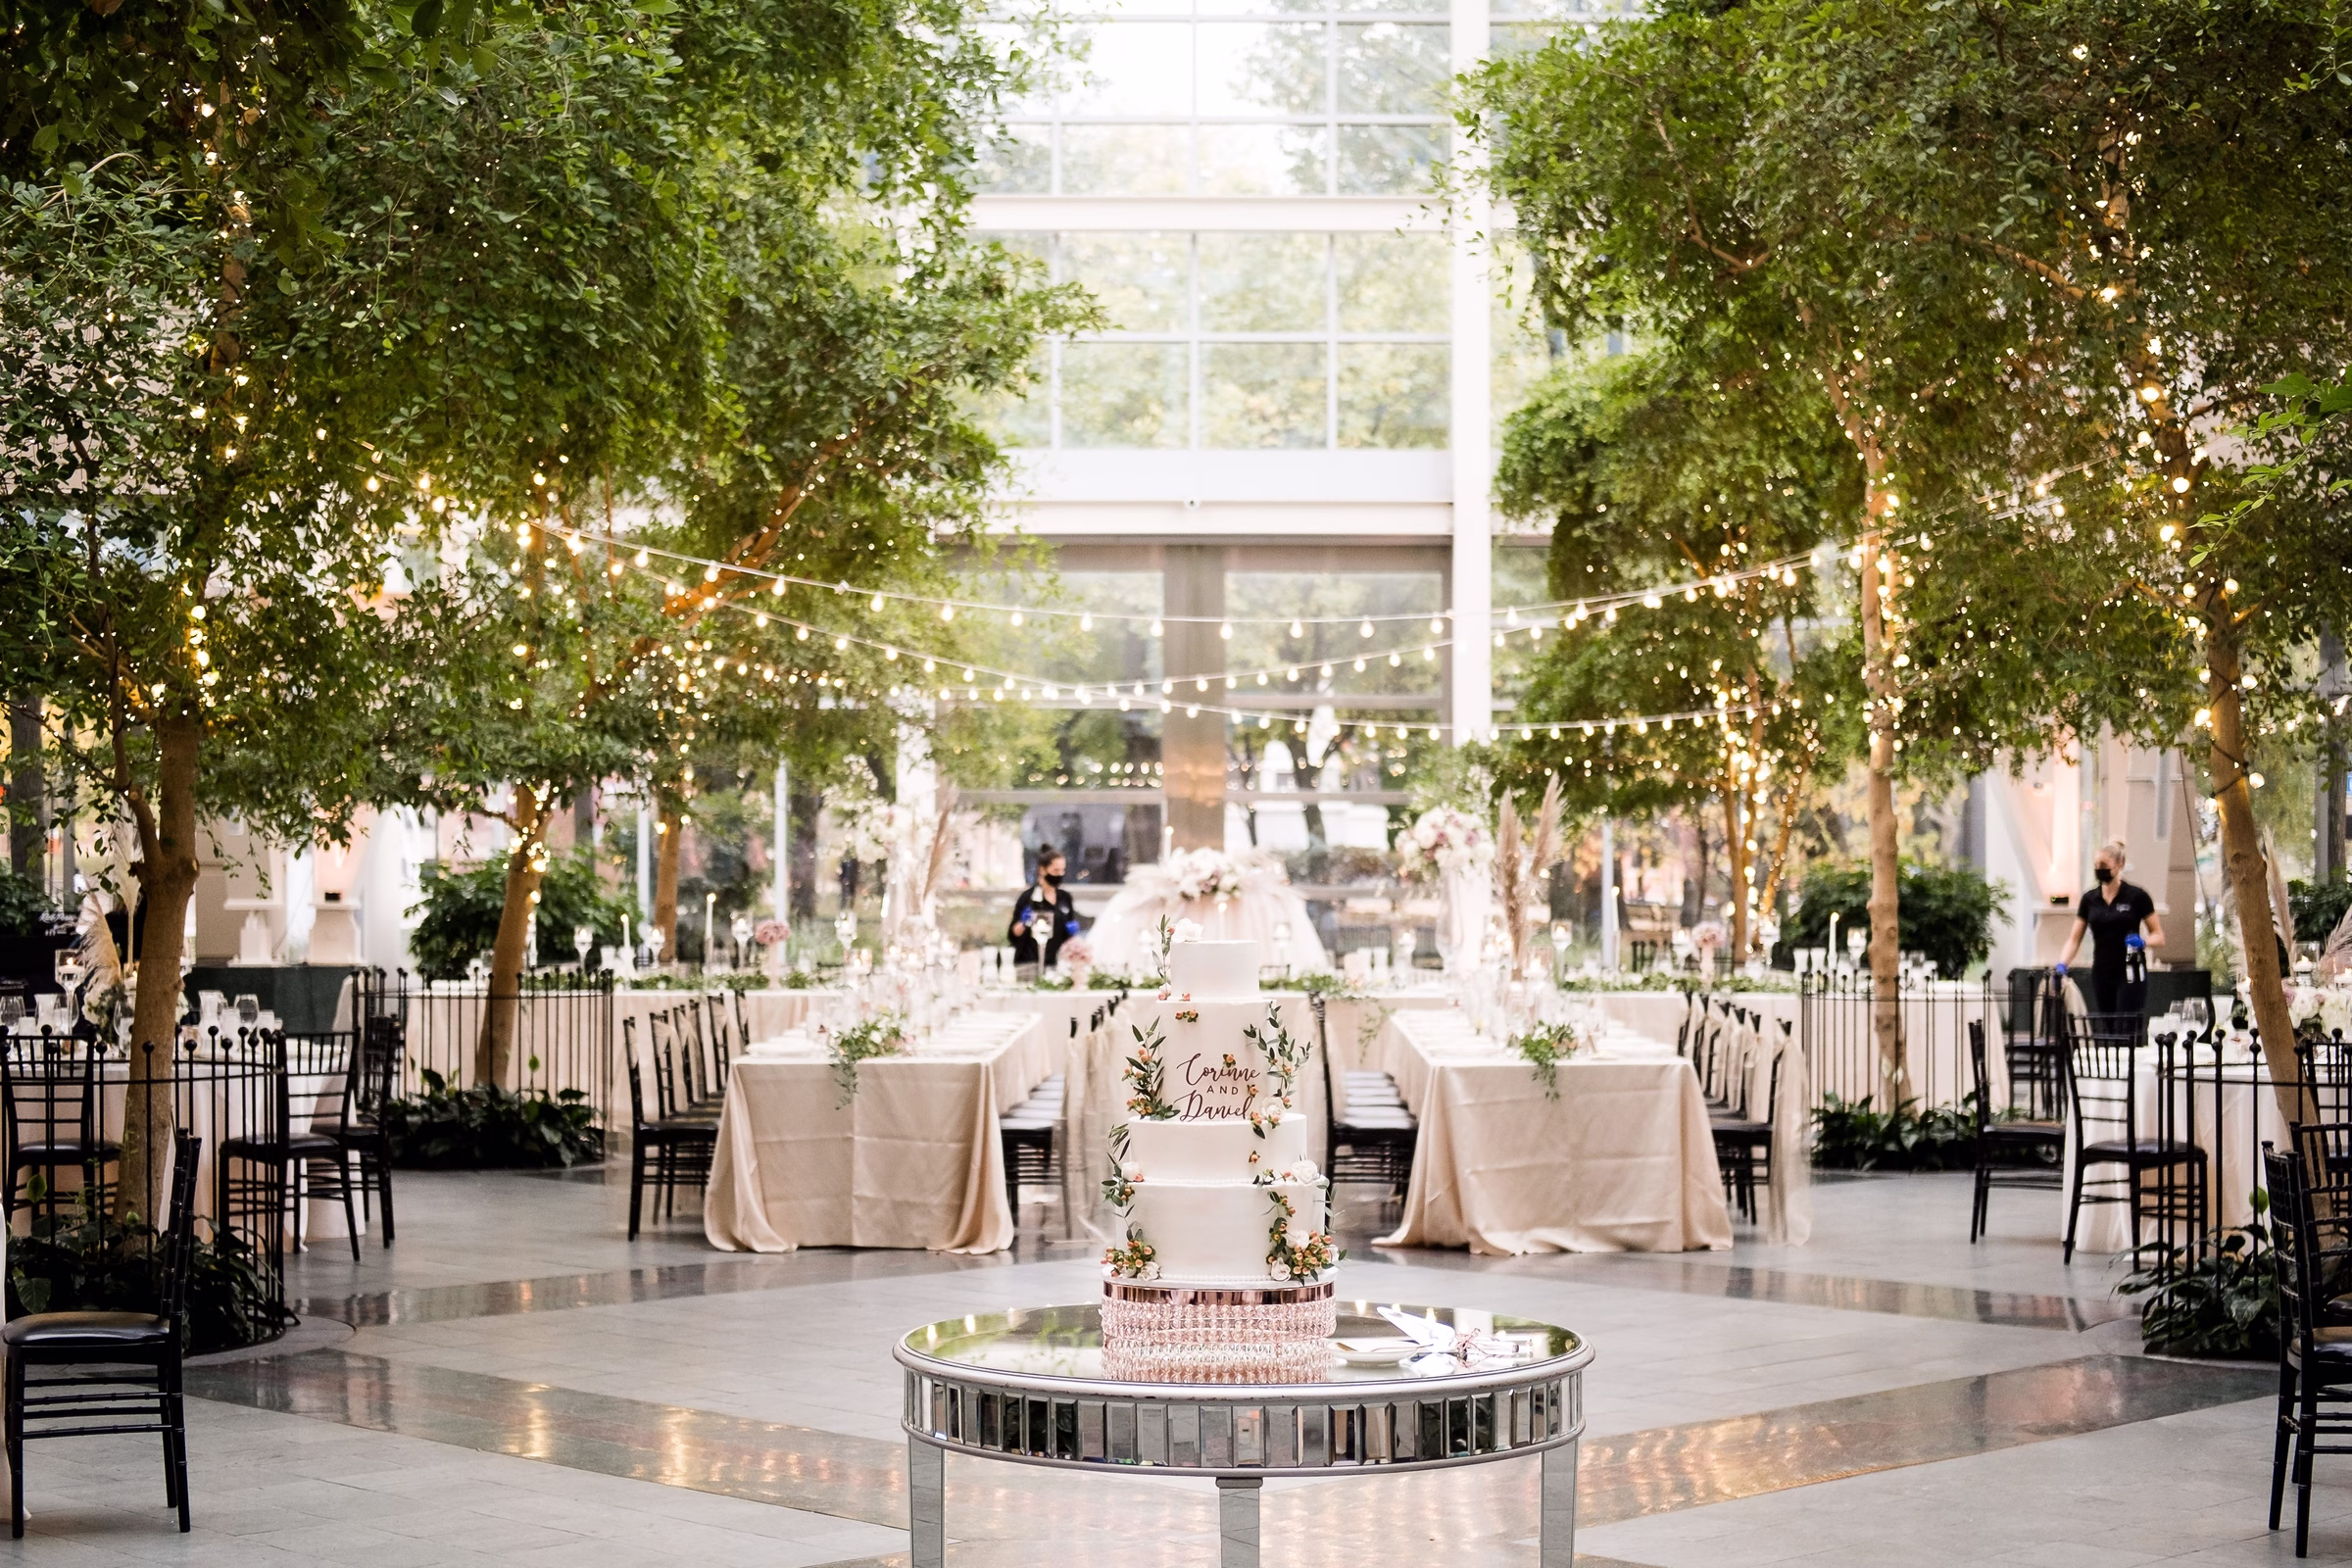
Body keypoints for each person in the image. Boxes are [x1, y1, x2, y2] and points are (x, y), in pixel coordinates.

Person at [2054, 839, 2165, 1016]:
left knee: (2126, 1025)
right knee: (2107, 1027)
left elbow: (2159, 936)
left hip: (2130, 970)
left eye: (2104, 864)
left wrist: (2143, 942)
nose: (2100, 869)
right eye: (2097, 865)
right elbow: (2074, 939)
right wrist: (2062, 964)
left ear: (2119, 865)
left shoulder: (2137, 896)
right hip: (2102, 971)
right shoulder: (2089, 899)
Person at [1008, 850, 1080, 969]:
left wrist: (1072, 932)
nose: (1060, 874)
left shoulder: (1065, 898)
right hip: (1029, 962)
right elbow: (1013, 934)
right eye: (1056, 870)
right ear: (1042, 870)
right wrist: (1023, 922)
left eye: (1062, 870)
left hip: (1056, 964)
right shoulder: (1029, 898)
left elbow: (1068, 933)